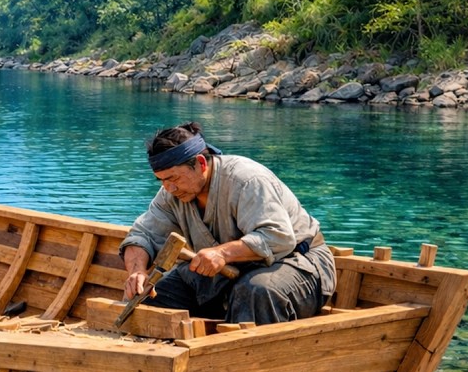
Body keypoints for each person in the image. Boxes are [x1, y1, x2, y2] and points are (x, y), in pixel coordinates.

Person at [120, 122, 336, 325]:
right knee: (149, 298)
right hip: (230, 271)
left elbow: (278, 237)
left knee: (255, 290)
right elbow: (143, 235)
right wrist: (137, 272)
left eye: (174, 179)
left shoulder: (246, 180)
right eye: (162, 180)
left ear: (201, 163)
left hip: (300, 263)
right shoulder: (170, 193)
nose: (169, 188)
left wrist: (222, 254)